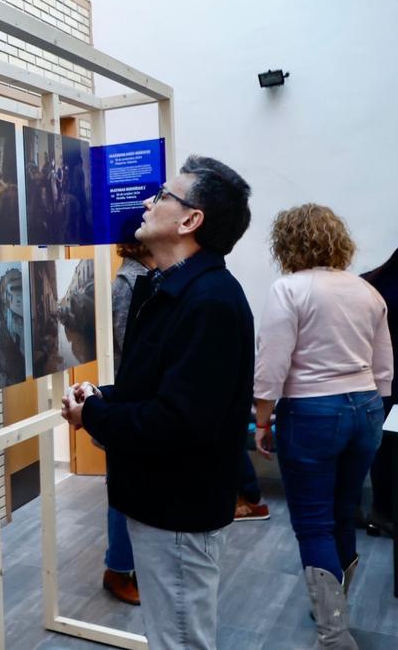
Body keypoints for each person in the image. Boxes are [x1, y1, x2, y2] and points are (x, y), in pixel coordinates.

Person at [61, 156, 254, 650]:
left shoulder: (210, 302)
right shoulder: (171, 289)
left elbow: (178, 420)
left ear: (190, 220)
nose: (148, 201)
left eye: (165, 195)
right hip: (160, 504)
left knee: (181, 639)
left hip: (178, 512)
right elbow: (156, 385)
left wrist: (96, 415)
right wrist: (105, 397)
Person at [253, 204, 392, 649]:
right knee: (342, 511)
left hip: (312, 412)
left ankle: (334, 635)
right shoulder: (366, 290)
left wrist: (261, 420)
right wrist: (370, 410)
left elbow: (271, 364)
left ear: (286, 244)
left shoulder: (288, 289)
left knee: (312, 524)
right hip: (368, 408)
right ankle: (332, 605)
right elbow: (385, 366)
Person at [99, 241, 156, 606]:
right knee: (123, 488)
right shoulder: (127, 285)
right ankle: (118, 569)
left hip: (143, 401)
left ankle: (127, 566)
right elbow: (130, 349)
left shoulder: (151, 279)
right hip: (133, 401)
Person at [363, 247, 398, 537]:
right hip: (388, 383)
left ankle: (379, 512)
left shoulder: (371, 283)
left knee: (381, 450)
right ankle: (383, 513)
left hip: (373, 384)